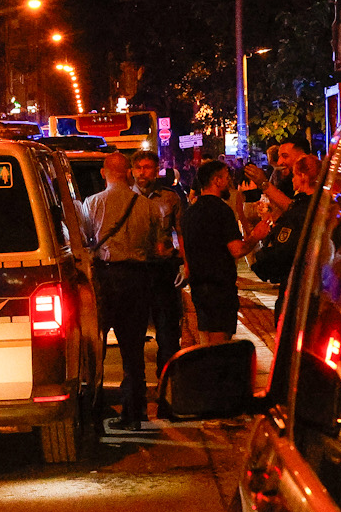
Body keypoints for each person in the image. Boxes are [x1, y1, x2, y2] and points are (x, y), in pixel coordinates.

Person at [82, 153, 159, 430]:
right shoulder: (147, 206)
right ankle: (134, 412)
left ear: (104, 173)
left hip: (105, 278)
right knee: (133, 349)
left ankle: (94, 411)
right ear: (128, 172)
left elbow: (85, 240)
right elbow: (154, 244)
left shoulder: (92, 204)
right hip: (137, 279)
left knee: (96, 348)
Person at [181, 161, 270, 345]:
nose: (230, 182)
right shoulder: (222, 210)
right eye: (227, 178)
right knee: (220, 344)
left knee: (206, 340)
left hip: (199, 287)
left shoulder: (190, 212)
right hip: (220, 288)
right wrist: (255, 236)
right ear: (217, 180)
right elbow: (237, 249)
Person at [131, 151, 186, 377]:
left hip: (163, 270)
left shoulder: (169, 198)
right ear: (132, 171)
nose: (143, 173)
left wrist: (185, 262)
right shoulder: (126, 199)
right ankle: (136, 382)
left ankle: (167, 379)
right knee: (134, 331)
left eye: (148, 168)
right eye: (139, 168)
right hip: (136, 270)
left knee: (168, 331)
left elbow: (181, 232)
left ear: (156, 170)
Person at [249, 155, 320, 324]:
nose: (292, 179)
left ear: (303, 177)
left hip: (298, 295)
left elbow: (280, 254)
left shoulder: (300, 212)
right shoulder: (327, 206)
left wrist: (258, 250)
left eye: (295, 175)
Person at [244, 136, 308, 216]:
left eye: (285, 156)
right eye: (279, 157)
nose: (279, 162)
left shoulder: (315, 185)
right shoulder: (286, 181)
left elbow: (294, 209)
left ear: (302, 157)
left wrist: (263, 183)